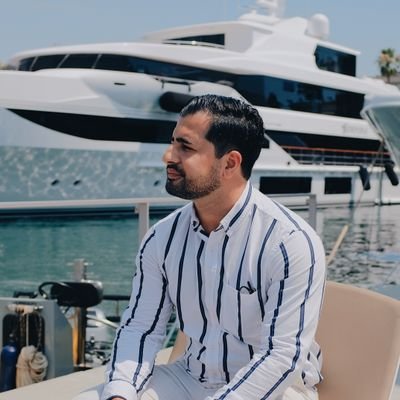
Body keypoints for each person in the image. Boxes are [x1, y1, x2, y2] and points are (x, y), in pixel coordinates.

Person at [79, 94, 326, 400]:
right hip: (189, 376)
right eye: (173, 143)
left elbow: (281, 356)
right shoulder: (162, 238)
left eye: (186, 147)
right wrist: (120, 393)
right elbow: (140, 328)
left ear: (230, 163)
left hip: (278, 389)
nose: (169, 156)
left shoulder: (290, 242)